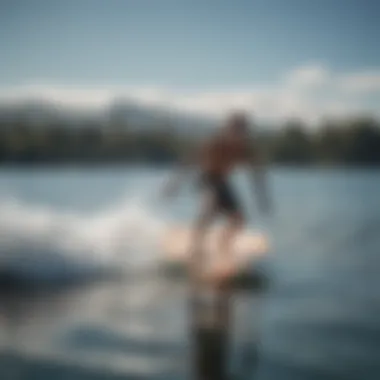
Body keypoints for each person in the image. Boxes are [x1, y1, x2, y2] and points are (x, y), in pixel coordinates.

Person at [162, 111, 272, 284]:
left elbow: (257, 176)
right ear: (227, 129)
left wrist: (263, 199)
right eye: (235, 130)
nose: (238, 135)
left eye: (242, 131)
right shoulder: (215, 143)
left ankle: (223, 245)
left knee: (238, 221)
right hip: (207, 179)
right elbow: (189, 160)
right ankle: (196, 248)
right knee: (210, 206)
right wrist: (173, 185)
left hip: (223, 182)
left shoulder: (247, 150)